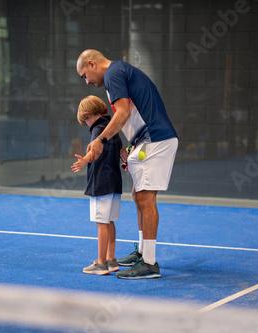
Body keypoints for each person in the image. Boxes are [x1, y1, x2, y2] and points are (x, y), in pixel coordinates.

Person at [76, 49, 178, 279]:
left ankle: (149, 263)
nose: (86, 81)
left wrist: (101, 139)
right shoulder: (119, 73)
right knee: (137, 193)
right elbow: (131, 113)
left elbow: (121, 113)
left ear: (92, 64)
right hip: (146, 139)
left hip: (155, 138)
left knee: (145, 197)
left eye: (84, 75)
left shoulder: (113, 73)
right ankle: (142, 253)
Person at [71, 95, 128, 275]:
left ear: (89, 115)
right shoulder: (112, 127)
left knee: (101, 223)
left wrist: (83, 161)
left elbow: (94, 151)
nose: (87, 125)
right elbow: (121, 150)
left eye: (85, 121)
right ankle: (111, 259)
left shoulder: (97, 131)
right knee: (109, 221)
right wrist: (130, 163)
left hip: (101, 183)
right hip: (114, 183)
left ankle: (101, 263)